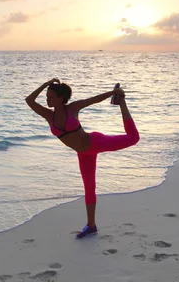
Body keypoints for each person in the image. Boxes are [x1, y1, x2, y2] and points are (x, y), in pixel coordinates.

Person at [25, 78, 140, 239]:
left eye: (50, 96)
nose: (47, 99)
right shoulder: (48, 115)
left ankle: (121, 103)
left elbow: (93, 100)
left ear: (60, 98)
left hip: (96, 142)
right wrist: (46, 83)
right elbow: (29, 100)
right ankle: (91, 226)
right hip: (83, 154)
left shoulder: (72, 108)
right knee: (89, 188)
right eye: (47, 96)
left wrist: (114, 93)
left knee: (133, 138)